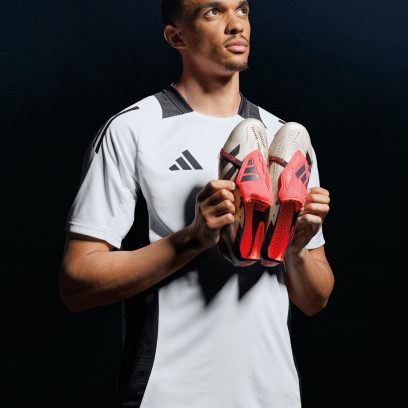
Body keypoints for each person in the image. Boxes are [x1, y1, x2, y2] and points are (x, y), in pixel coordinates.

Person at [59, 0, 334, 407]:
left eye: (242, 10)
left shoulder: (285, 139)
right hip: (169, 394)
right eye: (213, 12)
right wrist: (191, 239)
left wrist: (295, 247)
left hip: (271, 394)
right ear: (176, 37)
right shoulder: (135, 129)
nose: (236, 25)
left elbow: (315, 299)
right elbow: (76, 284)